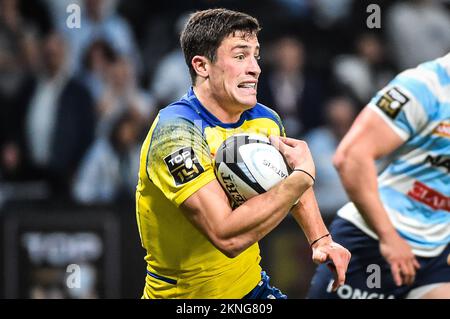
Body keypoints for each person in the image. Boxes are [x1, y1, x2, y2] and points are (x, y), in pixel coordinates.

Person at [135, 8, 350, 299]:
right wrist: (301, 178)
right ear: (202, 66)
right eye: (240, 56)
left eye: (256, 55)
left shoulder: (265, 119)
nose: (255, 68)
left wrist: (321, 239)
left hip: (252, 290)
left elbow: (287, 178)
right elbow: (226, 236)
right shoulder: (175, 133)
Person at [307, 53, 450, 299]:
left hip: (436, 250)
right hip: (372, 240)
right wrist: (389, 238)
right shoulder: (423, 87)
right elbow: (351, 158)